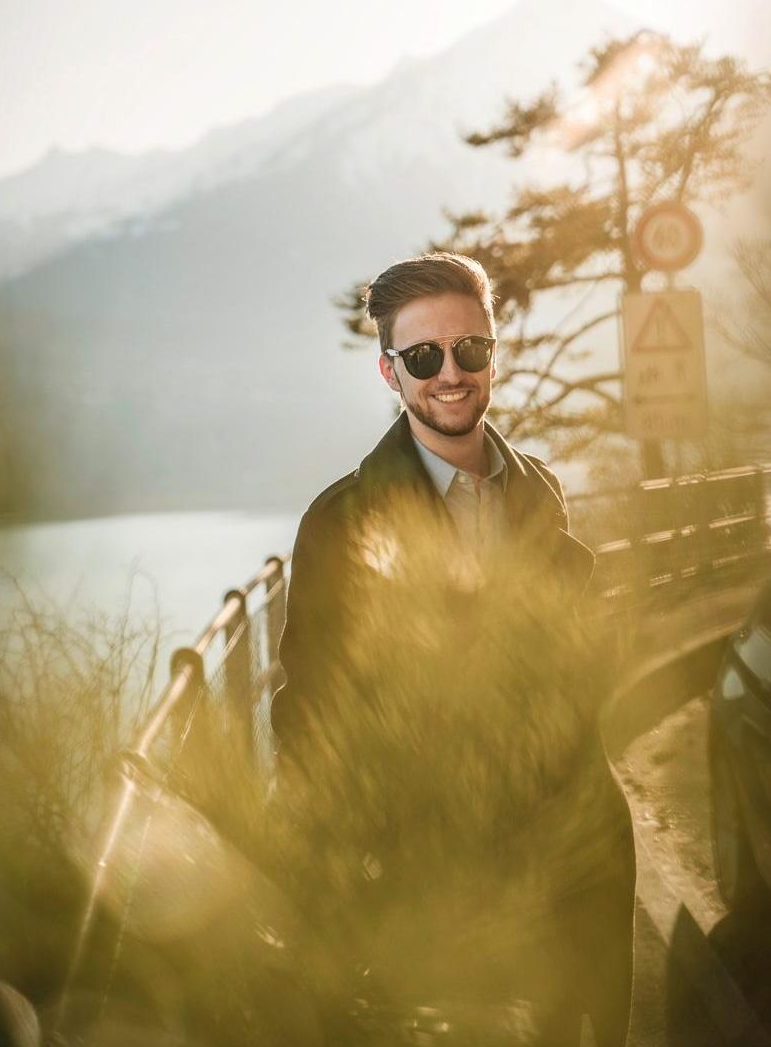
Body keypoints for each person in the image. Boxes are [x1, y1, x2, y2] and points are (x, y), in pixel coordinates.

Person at [271, 252, 635, 1046]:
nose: (450, 374)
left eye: (469, 350)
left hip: (567, 891)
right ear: (388, 372)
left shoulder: (540, 494)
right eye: (423, 357)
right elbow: (307, 724)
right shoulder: (337, 525)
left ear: (492, 353)